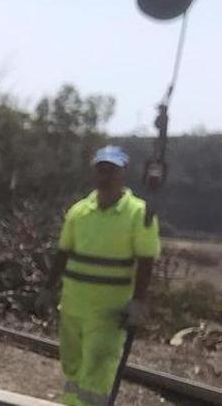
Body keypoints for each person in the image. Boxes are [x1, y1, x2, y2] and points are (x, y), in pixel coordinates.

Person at [41, 145, 160, 406]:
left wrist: (138, 300)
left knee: (97, 368)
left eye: (111, 170)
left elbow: (146, 260)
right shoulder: (79, 211)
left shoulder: (139, 214)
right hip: (73, 305)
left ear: (122, 174)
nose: (105, 176)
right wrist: (49, 288)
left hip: (109, 310)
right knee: (72, 366)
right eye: (101, 170)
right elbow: (63, 252)